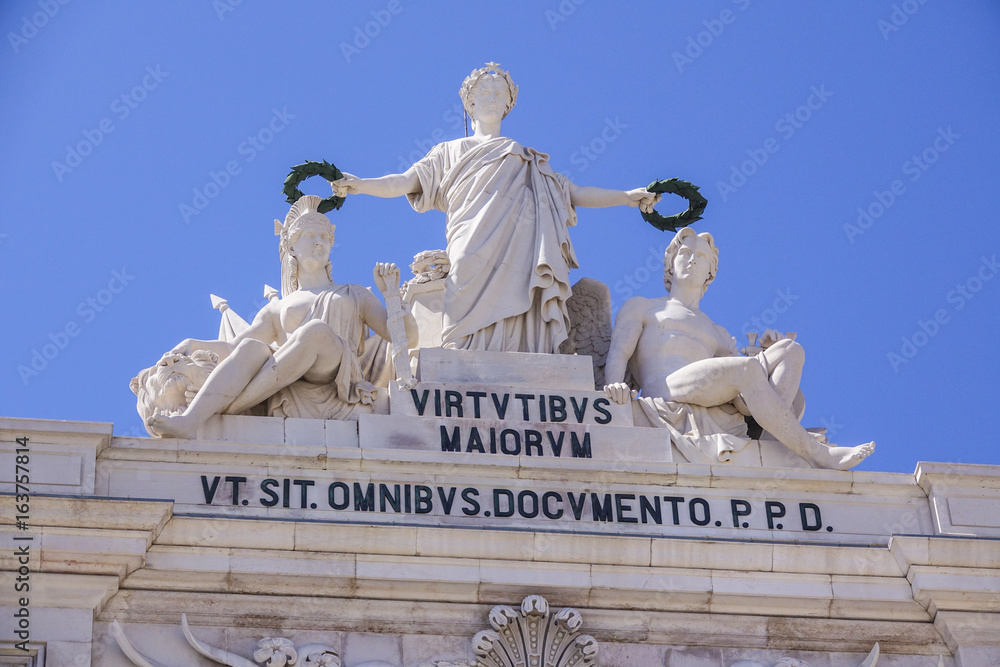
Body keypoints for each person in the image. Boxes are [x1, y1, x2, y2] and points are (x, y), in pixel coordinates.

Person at [331, 62, 660, 354]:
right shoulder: (449, 151)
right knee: (460, 290)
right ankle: (462, 359)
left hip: (521, 248)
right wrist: (360, 184)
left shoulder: (526, 158)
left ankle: (526, 360)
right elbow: (403, 182)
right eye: (484, 90)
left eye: (499, 91)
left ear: (508, 104)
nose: (491, 95)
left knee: (521, 296)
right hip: (469, 240)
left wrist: (626, 196)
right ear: (470, 102)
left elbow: (573, 192)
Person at [146, 195, 417, 439]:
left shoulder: (354, 293)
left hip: (339, 375)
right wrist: (195, 344)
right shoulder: (277, 309)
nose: (319, 241)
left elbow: (408, 338)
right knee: (253, 347)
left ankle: (230, 405)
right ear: (291, 247)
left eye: (325, 237)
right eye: (310, 234)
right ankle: (191, 421)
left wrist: (392, 295)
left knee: (316, 332)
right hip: (294, 383)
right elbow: (234, 349)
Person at [603, 228, 874, 470]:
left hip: (712, 393)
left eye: (701, 255)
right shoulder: (642, 306)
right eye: (684, 253)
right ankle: (816, 453)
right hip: (666, 389)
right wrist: (614, 384)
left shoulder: (718, 332)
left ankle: (773, 438)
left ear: (711, 271)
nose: (692, 259)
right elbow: (619, 352)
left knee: (791, 350)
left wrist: (768, 351)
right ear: (670, 263)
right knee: (745, 368)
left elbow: (743, 399)